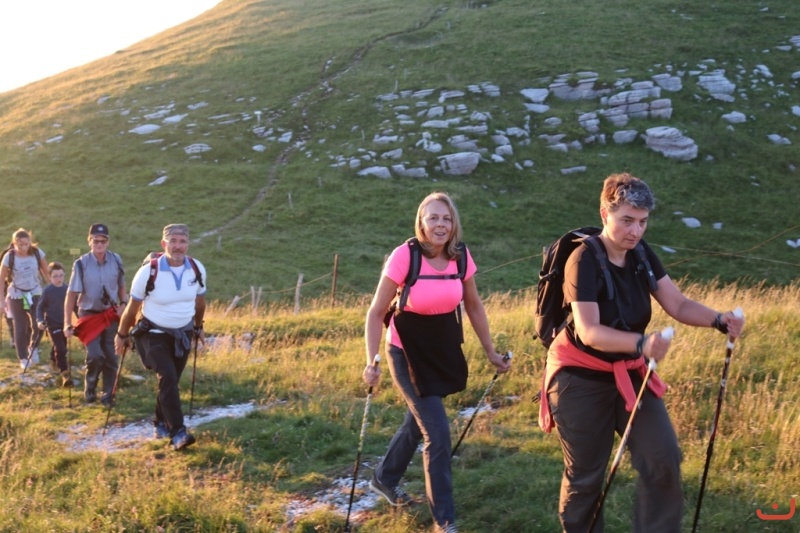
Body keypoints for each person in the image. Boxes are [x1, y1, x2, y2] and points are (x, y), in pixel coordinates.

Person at [538, 173, 746, 533]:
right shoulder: (583, 259)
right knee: (586, 476)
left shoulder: (641, 254)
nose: (635, 231)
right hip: (579, 378)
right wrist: (641, 344)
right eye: (627, 221)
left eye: (643, 222)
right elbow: (588, 331)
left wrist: (718, 319)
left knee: (662, 457)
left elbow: (677, 304)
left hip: (630, 371)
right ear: (605, 214)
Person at [363, 192, 511, 533]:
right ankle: (445, 522)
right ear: (421, 222)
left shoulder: (461, 256)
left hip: (440, 349)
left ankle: (384, 478)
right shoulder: (405, 256)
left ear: (454, 223)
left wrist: (490, 352)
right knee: (438, 433)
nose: (440, 225)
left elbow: (474, 305)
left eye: (446, 218)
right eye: (433, 218)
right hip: (405, 350)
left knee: (419, 421)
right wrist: (371, 360)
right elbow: (375, 312)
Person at [114, 224, 206, 452]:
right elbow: (132, 309)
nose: (178, 246)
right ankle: (178, 432)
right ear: (164, 244)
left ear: (188, 244)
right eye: (173, 241)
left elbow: (200, 303)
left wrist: (198, 327)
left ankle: (159, 423)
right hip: (152, 334)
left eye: (182, 241)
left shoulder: (196, 269)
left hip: (182, 334)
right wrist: (121, 335)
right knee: (168, 377)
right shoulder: (148, 272)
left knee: (170, 381)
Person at [64, 224, 127, 405]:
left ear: (108, 242)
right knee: (95, 355)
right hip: (88, 315)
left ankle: (108, 394)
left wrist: (124, 304)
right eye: (95, 241)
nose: (99, 244)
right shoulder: (80, 264)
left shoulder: (116, 260)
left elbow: (121, 285)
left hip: (110, 314)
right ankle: (90, 385)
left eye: (103, 241)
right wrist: (66, 323)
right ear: (89, 241)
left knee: (111, 356)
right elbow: (71, 295)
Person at [0, 228, 50, 369]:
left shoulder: (37, 253)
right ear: (14, 243)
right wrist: (1, 300)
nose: (23, 247)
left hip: (35, 292)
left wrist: (55, 289)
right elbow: (1, 278)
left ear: (30, 242)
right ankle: (23, 357)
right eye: (20, 245)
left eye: (26, 244)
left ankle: (33, 348)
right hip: (17, 294)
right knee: (20, 326)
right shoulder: (9, 256)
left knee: (39, 323)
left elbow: (46, 272)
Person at [36, 261, 72, 387]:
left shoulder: (68, 289)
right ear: (50, 277)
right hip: (52, 323)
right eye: (55, 276)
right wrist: (40, 320)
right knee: (61, 348)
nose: (58, 279)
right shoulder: (48, 291)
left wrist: (81, 319)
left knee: (61, 345)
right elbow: (40, 307)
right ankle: (65, 373)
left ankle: (53, 359)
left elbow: (74, 306)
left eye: (61, 275)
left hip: (65, 323)